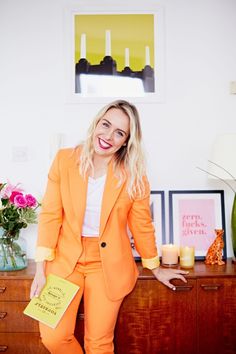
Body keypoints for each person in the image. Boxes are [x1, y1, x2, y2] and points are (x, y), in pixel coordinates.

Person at [30, 99, 188, 354]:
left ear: (126, 141)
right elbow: (50, 214)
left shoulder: (133, 174)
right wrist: (40, 269)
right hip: (65, 258)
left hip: (107, 264)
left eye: (119, 133)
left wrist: (155, 267)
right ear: (96, 123)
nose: (108, 136)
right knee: (53, 337)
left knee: (99, 344)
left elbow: (142, 225)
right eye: (106, 125)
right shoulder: (64, 160)